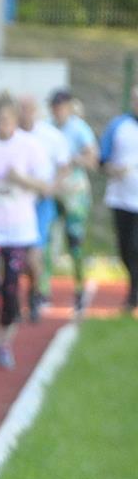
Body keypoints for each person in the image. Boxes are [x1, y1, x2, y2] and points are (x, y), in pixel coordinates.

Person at [0, 93, 53, 367]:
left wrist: (21, 179)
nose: (1, 124)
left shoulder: (30, 146)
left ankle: (5, 341)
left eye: (6, 119)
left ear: (15, 119)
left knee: (11, 286)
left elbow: (46, 186)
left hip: (18, 226)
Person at [47, 88, 99, 313]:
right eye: (54, 106)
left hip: (74, 193)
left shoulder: (79, 129)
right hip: (52, 190)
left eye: (61, 106)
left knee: (74, 241)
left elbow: (92, 159)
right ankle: (42, 290)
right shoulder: (47, 128)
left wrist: (72, 159)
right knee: (47, 239)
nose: (57, 110)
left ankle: (79, 287)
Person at [18, 93, 68, 322]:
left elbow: (64, 166)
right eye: (21, 108)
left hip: (40, 202)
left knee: (34, 253)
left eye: (29, 108)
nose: (25, 113)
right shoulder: (9, 134)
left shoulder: (50, 136)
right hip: (14, 202)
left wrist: (52, 187)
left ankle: (35, 295)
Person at [100, 85, 138, 314]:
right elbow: (102, 159)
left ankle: (134, 295)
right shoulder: (118, 126)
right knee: (125, 247)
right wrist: (113, 169)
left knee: (136, 245)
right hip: (122, 198)